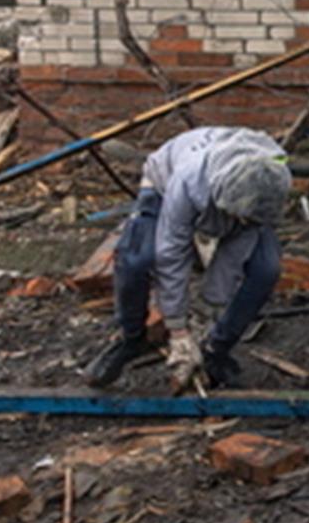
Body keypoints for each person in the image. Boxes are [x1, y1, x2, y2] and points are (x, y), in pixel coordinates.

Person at [83, 126, 291, 392]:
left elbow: (232, 257)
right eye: (237, 218)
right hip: (163, 184)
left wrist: (209, 310)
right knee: (137, 259)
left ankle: (217, 349)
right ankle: (131, 338)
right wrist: (178, 329)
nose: (240, 223)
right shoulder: (188, 180)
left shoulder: (271, 182)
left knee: (266, 269)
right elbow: (171, 252)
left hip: (242, 197)